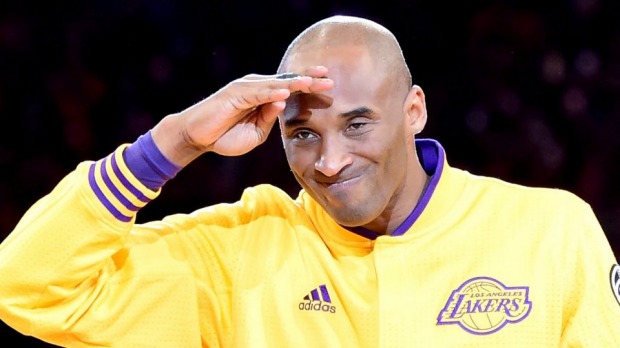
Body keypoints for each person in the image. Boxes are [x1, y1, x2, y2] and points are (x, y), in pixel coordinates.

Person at [0, 14, 618, 348]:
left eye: (357, 124)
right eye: (303, 135)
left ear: (414, 112)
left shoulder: (552, 232)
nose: (328, 160)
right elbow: (26, 288)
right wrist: (173, 142)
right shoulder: (238, 253)